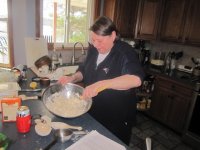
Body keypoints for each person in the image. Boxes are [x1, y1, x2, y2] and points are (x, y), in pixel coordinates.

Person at [58, 16, 145, 145]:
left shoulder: (125, 52)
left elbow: (136, 79)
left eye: (100, 40)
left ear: (113, 35)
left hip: (117, 118)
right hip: (93, 112)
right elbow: (83, 70)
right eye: (93, 40)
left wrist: (102, 84)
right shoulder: (93, 49)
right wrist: (72, 78)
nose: (96, 44)